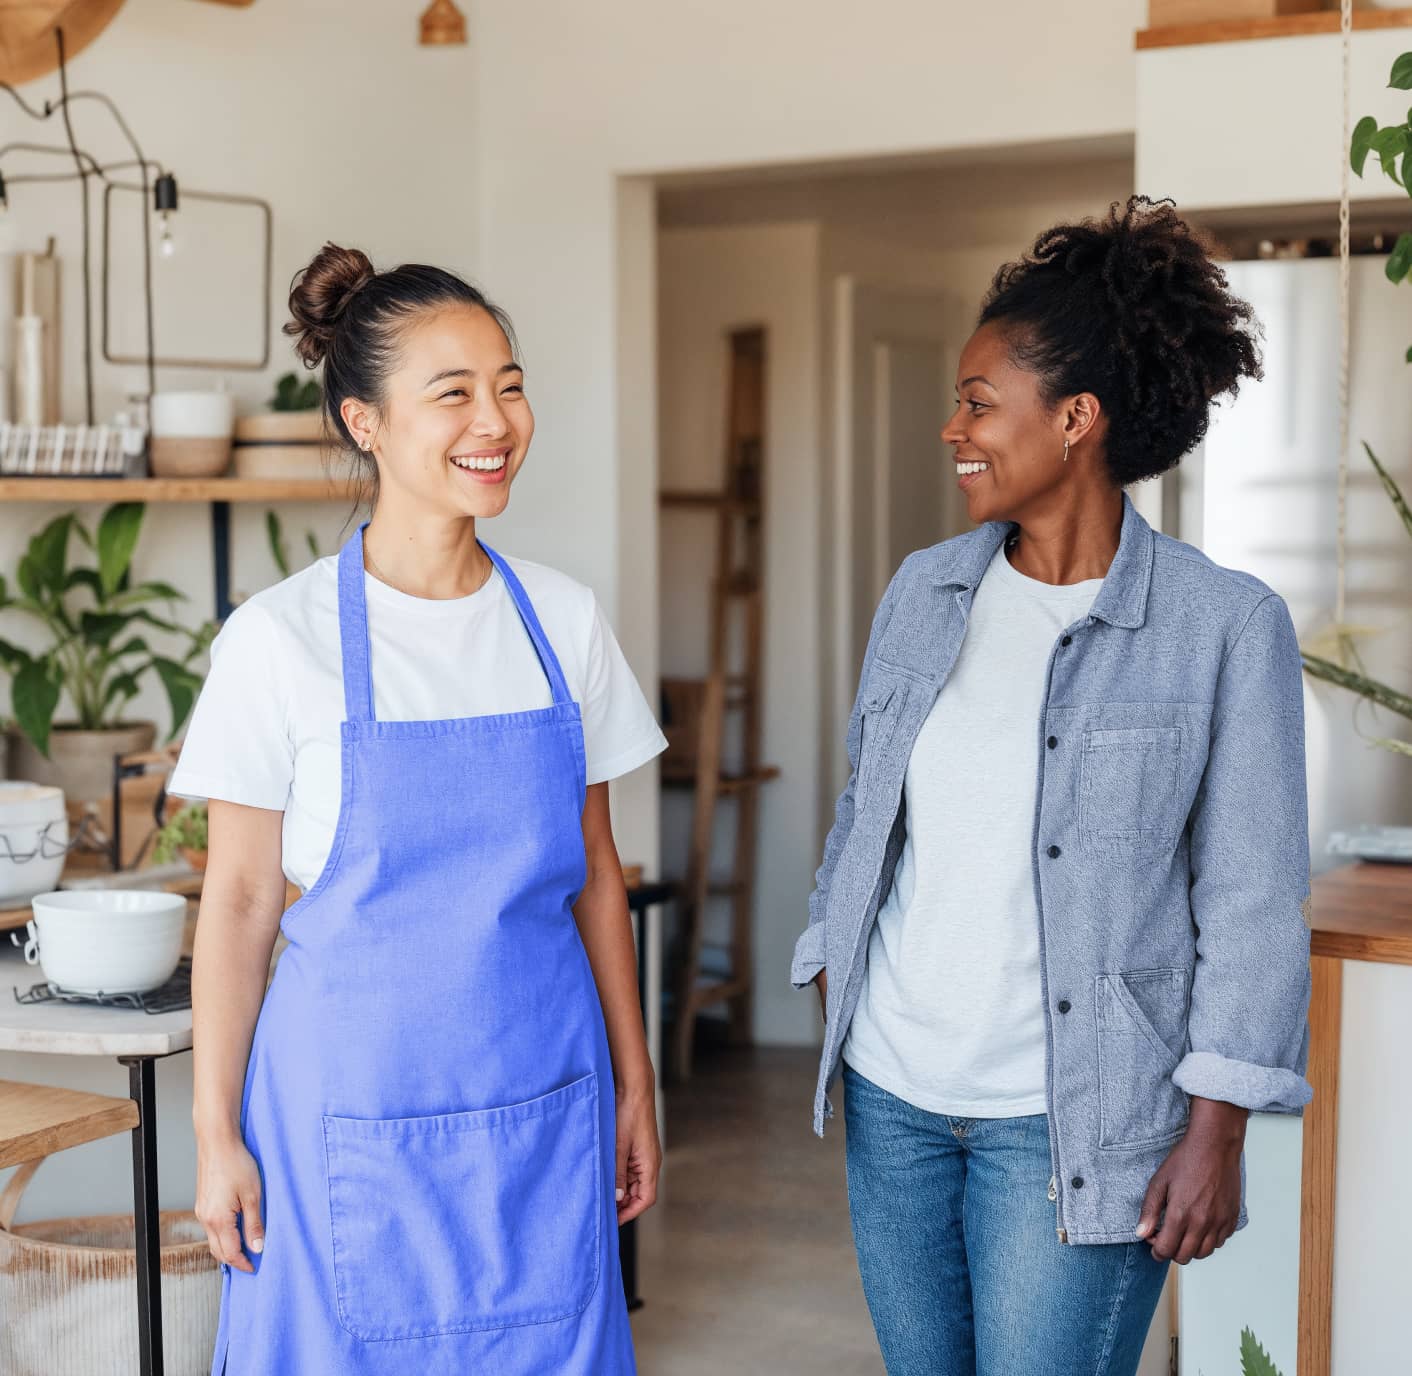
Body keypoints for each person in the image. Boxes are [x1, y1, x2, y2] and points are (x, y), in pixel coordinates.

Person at [791, 196, 1313, 1376]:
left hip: (1075, 1120)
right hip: (897, 1103)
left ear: (1075, 417)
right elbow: (865, 809)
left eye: (977, 401)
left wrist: (1215, 1127)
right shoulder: (923, 590)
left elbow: (1249, 897)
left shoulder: (1222, 627)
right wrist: (833, 962)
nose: (951, 428)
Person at [173, 244, 664, 1375]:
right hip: (339, 1118)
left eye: (509, 383)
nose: (495, 418)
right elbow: (240, 901)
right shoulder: (279, 639)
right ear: (364, 422)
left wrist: (635, 1087)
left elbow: (597, 871)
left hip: (544, 1099)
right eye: (452, 392)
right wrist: (215, 1137)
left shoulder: (562, 623)